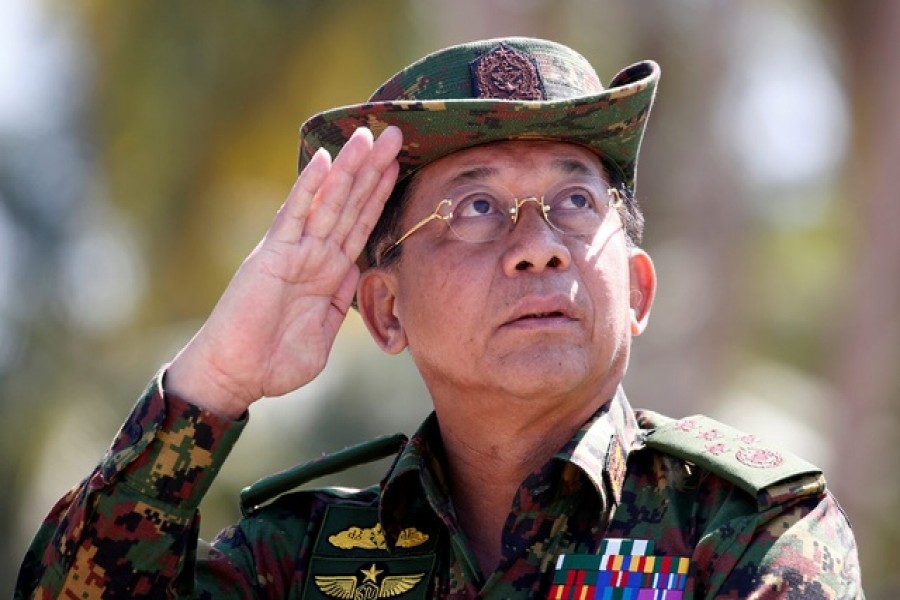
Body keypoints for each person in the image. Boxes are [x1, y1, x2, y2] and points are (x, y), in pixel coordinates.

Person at [16, 37, 863, 599]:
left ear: (637, 292)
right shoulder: (299, 560)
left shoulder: (747, 529)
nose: (540, 247)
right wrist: (212, 386)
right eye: (476, 208)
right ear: (385, 310)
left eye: (574, 199)